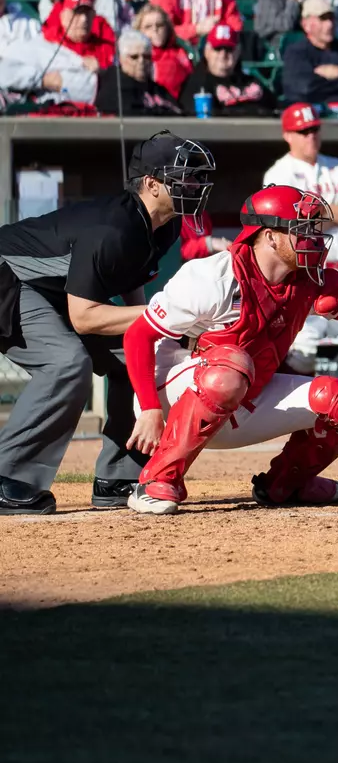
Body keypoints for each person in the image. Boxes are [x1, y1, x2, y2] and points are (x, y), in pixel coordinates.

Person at [119, 185, 338, 514]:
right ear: (269, 235)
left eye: (314, 228)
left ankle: (287, 484)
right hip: (174, 394)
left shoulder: (310, 279)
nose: (314, 238)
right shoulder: (212, 277)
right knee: (231, 367)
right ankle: (156, 479)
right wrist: (149, 408)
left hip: (243, 394)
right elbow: (137, 337)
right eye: (303, 228)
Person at [0, 135, 210, 515]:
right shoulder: (112, 230)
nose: (193, 186)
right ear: (150, 184)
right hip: (8, 278)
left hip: (49, 289)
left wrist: (152, 331)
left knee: (142, 356)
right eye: (182, 178)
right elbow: (84, 317)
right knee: (66, 363)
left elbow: (132, 278)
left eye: (196, 179)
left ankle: (118, 475)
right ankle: (7, 475)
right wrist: (165, 314)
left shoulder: (166, 225)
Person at [264, 103, 338, 374]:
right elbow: (296, 224)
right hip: (305, 275)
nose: (310, 136)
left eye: (314, 129)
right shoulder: (279, 174)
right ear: (287, 135)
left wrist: (319, 212)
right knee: (302, 350)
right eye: (302, 131)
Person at [181, 23, 275, 116]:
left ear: (238, 52)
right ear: (207, 51)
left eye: (228, 49)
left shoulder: (251, 82)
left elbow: (275, 109)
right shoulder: (197, 85)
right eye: (217, 48)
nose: (223, 54)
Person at [96, 31, 182, 117]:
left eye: (146, 57)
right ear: (121, 59)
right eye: (134, 57)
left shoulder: (158, 89)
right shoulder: (113, 90)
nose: (141, 61)